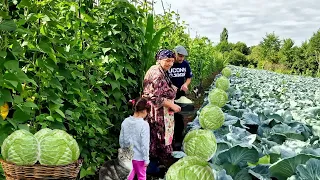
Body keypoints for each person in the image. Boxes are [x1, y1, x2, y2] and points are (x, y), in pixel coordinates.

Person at [142, 49, 181, 171]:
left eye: (172, 61)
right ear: (159, 59)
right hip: (157, 112)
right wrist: (172, 105)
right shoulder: (157, 73)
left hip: (162, 111)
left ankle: (156, 163)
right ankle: (153, 166)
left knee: (158, 136)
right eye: (167, 60)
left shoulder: (161, 70)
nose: (170, 63)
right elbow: (154, 97)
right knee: (157, 136)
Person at [119, 97, 151, 180]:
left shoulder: (125, 121)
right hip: (140, 158)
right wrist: (146, 159)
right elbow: (145, 144)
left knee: (128, 177)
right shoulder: (144, 125)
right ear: (144, 111)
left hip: (128, 156)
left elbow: (121, 140)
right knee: (141, 177)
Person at [168, 45, 193, 150]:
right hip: (169, 94)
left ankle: (178, 140)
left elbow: (189, 77)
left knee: (179, 115)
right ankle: (168, 140)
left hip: (180, 94)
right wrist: (171, 85)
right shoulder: (169, 63)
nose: (181, 58)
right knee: (169, 116)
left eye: (183, 57)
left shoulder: (185, 64)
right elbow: (163, 77)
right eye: (180, 56)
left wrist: (186, 84)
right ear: (175, 53)